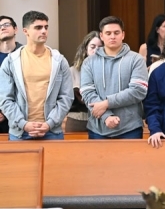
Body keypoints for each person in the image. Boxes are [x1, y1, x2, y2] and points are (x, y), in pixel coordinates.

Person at [80, 15, 148, 209]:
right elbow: (88, 94)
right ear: (101, 35)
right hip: (98, 130)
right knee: (101, 182)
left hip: (130, 128)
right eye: (107, 33)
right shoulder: (89, 63)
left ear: (123, 34)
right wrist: (107, 117)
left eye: (116, 32)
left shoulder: (135, 60)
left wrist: (106, 103)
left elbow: (138, 92)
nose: (112, 36)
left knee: (129, 180)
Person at [0, 11, 73, 140]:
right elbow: (6, 99)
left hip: (51, 131)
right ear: (25, 31)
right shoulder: (11, 61)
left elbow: (66, 97)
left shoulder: (59, 60)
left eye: (46, 27)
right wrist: (24, 124)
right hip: (20, 132)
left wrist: (49, 123)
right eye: (38, 27)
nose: (44, 31)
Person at [67, 31, 102, 132]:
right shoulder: (73, 71)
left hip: (101, 120)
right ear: (85, 49)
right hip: (77, 120)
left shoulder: (109, 70)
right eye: (92, 47)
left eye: (100, 47)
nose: (96, 50)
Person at [0, 15, 23, 133]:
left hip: (22, 115)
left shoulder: (25, 54)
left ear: (16, 29)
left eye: (6, 25)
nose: (2, 28)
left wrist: (6, 110)